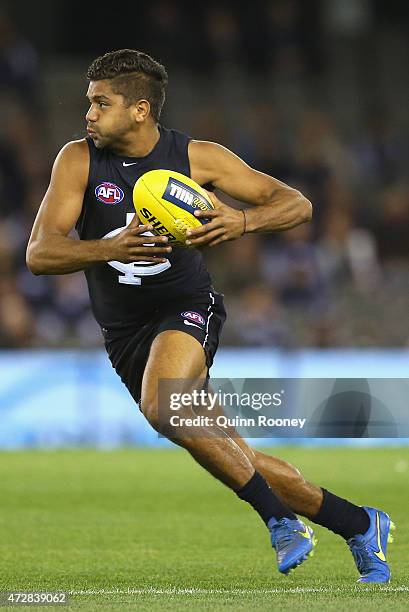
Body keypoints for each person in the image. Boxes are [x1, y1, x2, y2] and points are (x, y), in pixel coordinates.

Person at [26, 49, 394, 581]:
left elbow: (296, 204)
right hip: (125, 334)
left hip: (185, 306)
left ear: (140, 110)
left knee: (164, 405)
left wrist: (242, 222)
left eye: (100, 103)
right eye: (88, 102)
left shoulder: (196, 157)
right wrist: (111, 248)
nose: (88, 113)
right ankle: (360, 523)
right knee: (234, 453)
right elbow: (39, 253)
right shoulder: (77, 160)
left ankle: (280, 523)